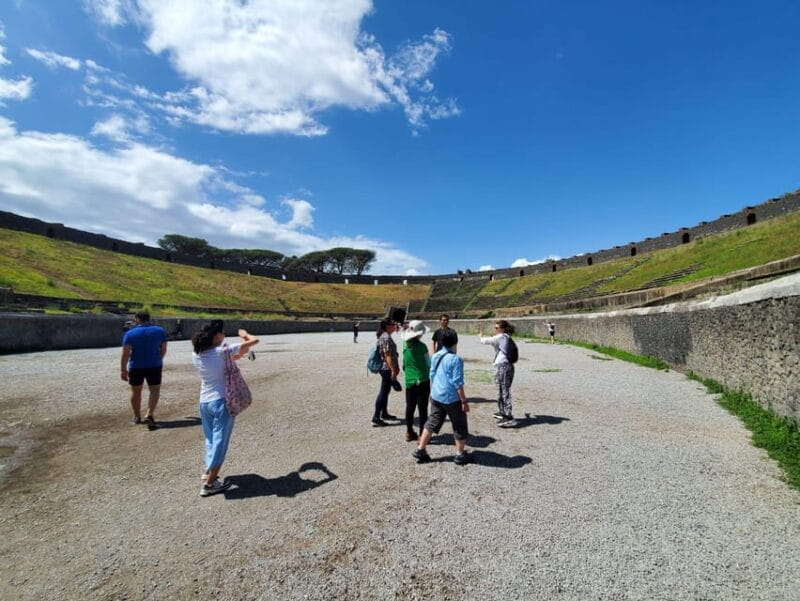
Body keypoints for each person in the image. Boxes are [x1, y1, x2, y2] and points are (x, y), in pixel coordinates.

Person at [191, 320, 259, 497]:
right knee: (221, 440)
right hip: (223, 400)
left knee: (211, 439)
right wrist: (244, 335)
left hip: (204, 401)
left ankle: (208, 472)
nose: (224, 336)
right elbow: (255, 341)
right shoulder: (223, 352)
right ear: (216, 336)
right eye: (222, 333)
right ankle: (209, 483)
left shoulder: (197, 354)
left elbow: (233, 356)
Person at [414, 330, 470, 465]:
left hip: (436, 395)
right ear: (455, 342)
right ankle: (460, 454)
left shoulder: (436, 356)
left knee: (432, 420)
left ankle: (420, 449)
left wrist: (435, 389)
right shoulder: (456, 359)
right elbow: (457, 382)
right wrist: (464, 400)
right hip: (451, 398)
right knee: (459, 423)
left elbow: (432, 375)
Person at [120, 311, 167, 430]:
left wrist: (123, 370)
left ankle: (137, 417)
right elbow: (163, 349)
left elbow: (126, 354)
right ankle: (149, 414)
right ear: (148, 318)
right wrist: (158, 359)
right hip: (154, 365)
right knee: (154, 391)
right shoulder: (160, 331)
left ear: (136, 319)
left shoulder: (130, 333)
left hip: (136, 366)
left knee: (136, 392)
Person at [479, 320, 517, 428]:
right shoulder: (504, 338)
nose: (495, 330)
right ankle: (503, 412)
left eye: (497, 328)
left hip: (504, 366)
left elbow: (485, 341)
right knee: (500, 390)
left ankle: (509, 417)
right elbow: (496, 347)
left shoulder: (502, 337)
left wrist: (481, 336)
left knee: (504, 390)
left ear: (503, 328)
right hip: (502, 366)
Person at [401, 320, 431, 442]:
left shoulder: (405, 345)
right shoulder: (422, 346)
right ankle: (421, 435)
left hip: (409, 380)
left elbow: (404, 365)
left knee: (410, 407)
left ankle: (409, 432)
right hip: (422, 380)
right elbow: (428, 363)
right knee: (422, 409)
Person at [372, 318, 401, 427]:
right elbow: (386, 355)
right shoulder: (385, 337)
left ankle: (384, 413)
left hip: (386, 368)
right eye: (393, 324)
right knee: (383, 392)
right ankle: (376, 417)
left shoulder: (384, 336)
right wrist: (393, 370)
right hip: (386, 369)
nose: (395, 325)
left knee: (386, 391)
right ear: (387, 326)